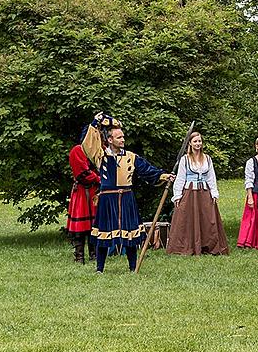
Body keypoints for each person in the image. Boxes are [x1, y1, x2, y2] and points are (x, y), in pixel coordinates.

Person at [81, 114, 171, 272]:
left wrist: (164, 176)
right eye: (119, 137)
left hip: (127, 199)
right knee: (104, 234)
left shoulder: (130, 157)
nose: (123, 140)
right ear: (110, 140)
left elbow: (147, 170)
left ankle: (132, 268)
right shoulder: (100, 156)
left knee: (130, 234)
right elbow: (87, 142)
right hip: (107, 199)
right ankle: (99, 269)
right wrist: (95, 122)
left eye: (123, 137)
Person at [167, 131, 229, 256]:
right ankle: (187, 246)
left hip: (204, 192)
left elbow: (211, 177)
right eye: (195, 141)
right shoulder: (185, 159)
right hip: (190, 193)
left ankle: (206, 245)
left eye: (199, 141)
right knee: (187, 218)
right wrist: (177, 195)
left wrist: (214, 192)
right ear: (190, 143)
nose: (198, 144)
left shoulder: (207, 158)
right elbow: (180, 178)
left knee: (207, 218)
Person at [65, 127, 101, 264]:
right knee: (80, 226)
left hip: (94, 191)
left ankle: (94, 254)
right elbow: (82, 173)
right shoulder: (77, 150)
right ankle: (79, 256)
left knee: (93, 225)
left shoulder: (97, 151)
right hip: (82, 191)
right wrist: (99, 179)